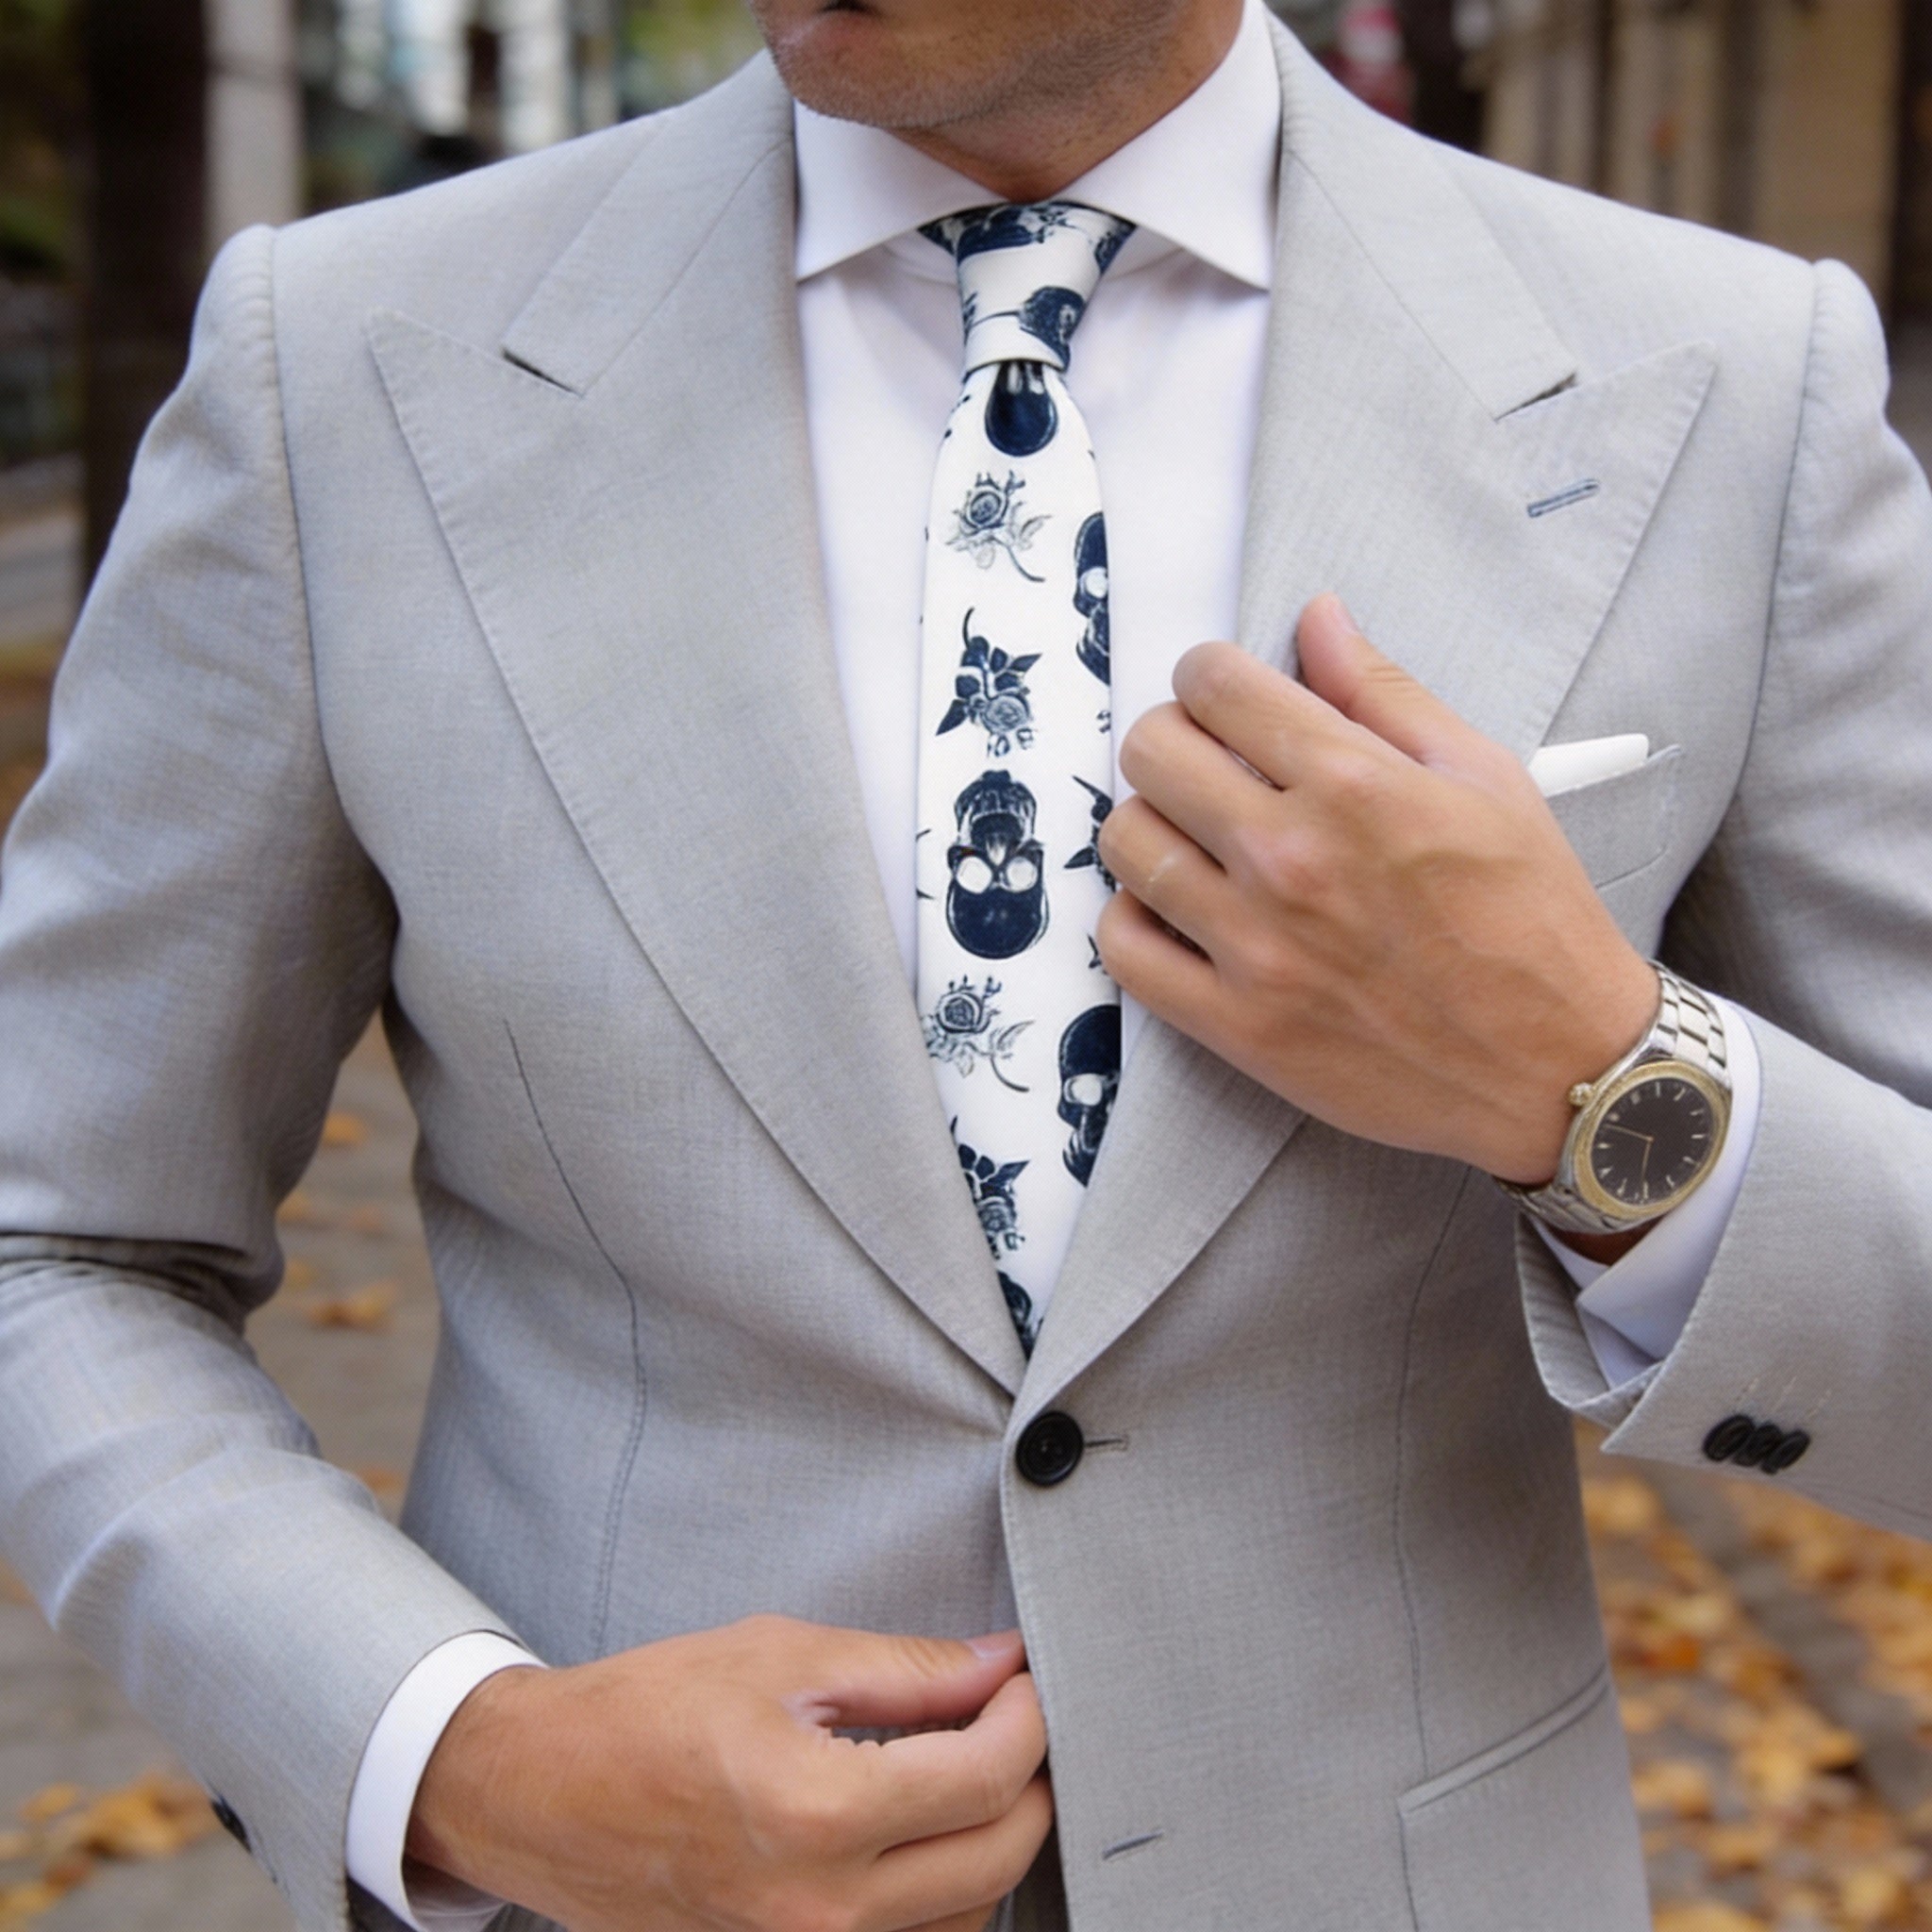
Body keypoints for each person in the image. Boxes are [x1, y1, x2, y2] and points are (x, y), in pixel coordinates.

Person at [1, 0, 1928, 1925]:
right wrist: (456, 1756)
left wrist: (1597, 1085)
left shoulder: (1728, 388)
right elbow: (57, 1239)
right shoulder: (333, 367)